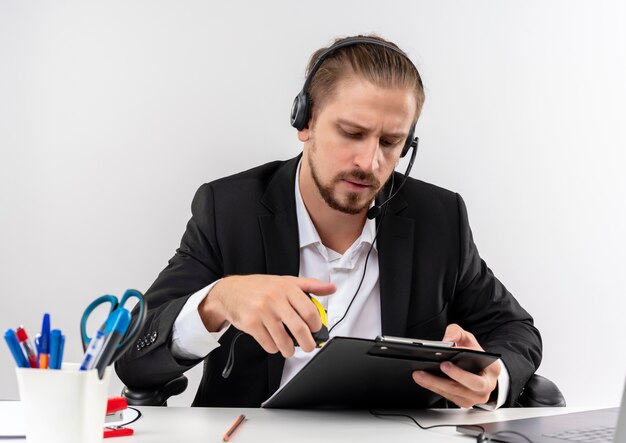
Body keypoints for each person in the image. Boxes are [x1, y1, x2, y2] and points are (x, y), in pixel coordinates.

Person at [116, 35, 541, 409]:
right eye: (352, 133)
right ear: (305, 121)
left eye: (390, 143)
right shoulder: (230, 209)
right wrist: (217, 301)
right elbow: (132, 357)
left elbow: (514, 328)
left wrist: (491, 379)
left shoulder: (439, 218)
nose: (369, 162)